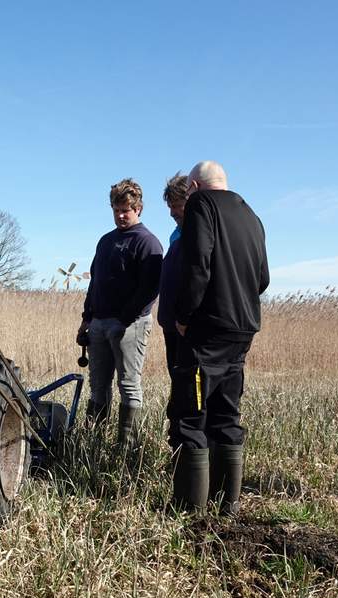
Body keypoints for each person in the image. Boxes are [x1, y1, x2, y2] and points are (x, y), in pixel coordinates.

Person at [167, 161, 269, 516]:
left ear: (194, 186)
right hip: (242, 329)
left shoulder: (201, 205)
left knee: (189, 414)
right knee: (226, 413)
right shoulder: (250, 214)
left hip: (206, 330)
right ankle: (229, 504)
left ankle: (188, 508)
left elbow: (198, 264)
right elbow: (263, 279)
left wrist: (183, 315)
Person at [77, 179, 163, 447]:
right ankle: (94, 443)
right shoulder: (105, 241)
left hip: (130, 326)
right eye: (116, 209)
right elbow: (95, 283)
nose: (121, 215)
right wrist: (86, 319)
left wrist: (124, 320)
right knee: (98, 387)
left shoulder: (148, 243)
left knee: (128, 385)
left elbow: (150, 290)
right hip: (99, 324)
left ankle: (126, 448)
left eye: (126, 209)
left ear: (138, 208)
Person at [157, 172, 192, 377]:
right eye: (170, 206)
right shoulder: (175, 235)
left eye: (177, 205)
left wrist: (184, 318)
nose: (172, 212)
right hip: (171, 324)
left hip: (186, 326)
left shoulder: (200, 234)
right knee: (176, 378)